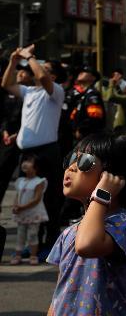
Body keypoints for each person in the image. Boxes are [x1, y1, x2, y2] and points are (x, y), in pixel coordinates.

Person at [47, 133, 126, 316]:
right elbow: (59, 294)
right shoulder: (71, 231)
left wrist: (101, 196)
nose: (71, 168)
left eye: (84, 161)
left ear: (112, 177)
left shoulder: (122, 225)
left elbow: (87, 245)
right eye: (70, 159)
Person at [1, 44, 65, 251]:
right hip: (27, 155)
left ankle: (50, 242)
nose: (38, 69)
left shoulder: (55, 91)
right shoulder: (29, 91)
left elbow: (44, 78)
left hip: (46, 152)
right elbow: (6, 83)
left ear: (54, 76)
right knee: (27, 196)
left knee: (48, 198)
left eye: (45, 67)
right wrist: (13, 60)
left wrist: (29, 57)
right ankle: (32, 243)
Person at [10, 153, 48, 265]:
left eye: (29, 162)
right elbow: (17, 196)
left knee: (32, 235)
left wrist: (21, 207)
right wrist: (15, 206)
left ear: (36, 167)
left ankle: (33, 255)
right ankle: (18, 255)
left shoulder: (39, 181)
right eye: (25, 161)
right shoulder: (20, 181)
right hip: (21, 214)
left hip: (33, 214)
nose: (25, 164)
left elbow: (36, 199)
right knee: (20, 235)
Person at [0, 59, 24, 209]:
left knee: (3, 175)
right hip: (4, 135)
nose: (19, 74)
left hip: (16, 140)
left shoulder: (27, 92)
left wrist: (15, 134)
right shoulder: (4, 92)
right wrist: (3, 130)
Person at [67, 66, 106, 141]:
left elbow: (95, 117)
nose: (81, 73)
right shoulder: (83, 95)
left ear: (93, 78)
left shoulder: (92, 94)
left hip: (88, 138)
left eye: (86, 71)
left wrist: (81, 130)